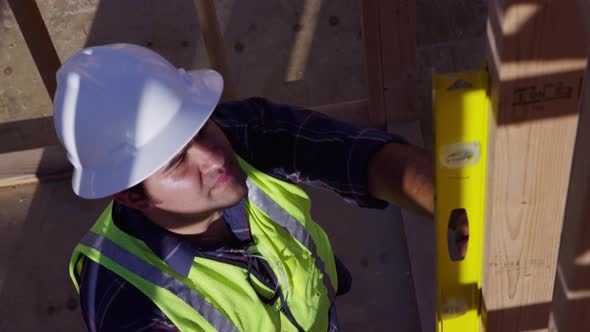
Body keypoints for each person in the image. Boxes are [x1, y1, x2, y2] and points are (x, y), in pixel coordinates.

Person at [55, 44, 434, 332]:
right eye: (176, 161)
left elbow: (363, 158)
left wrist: (456, 202)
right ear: (131, 196)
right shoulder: (128, 302)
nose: (214, 156)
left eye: (200, 128)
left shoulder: (237, 132)